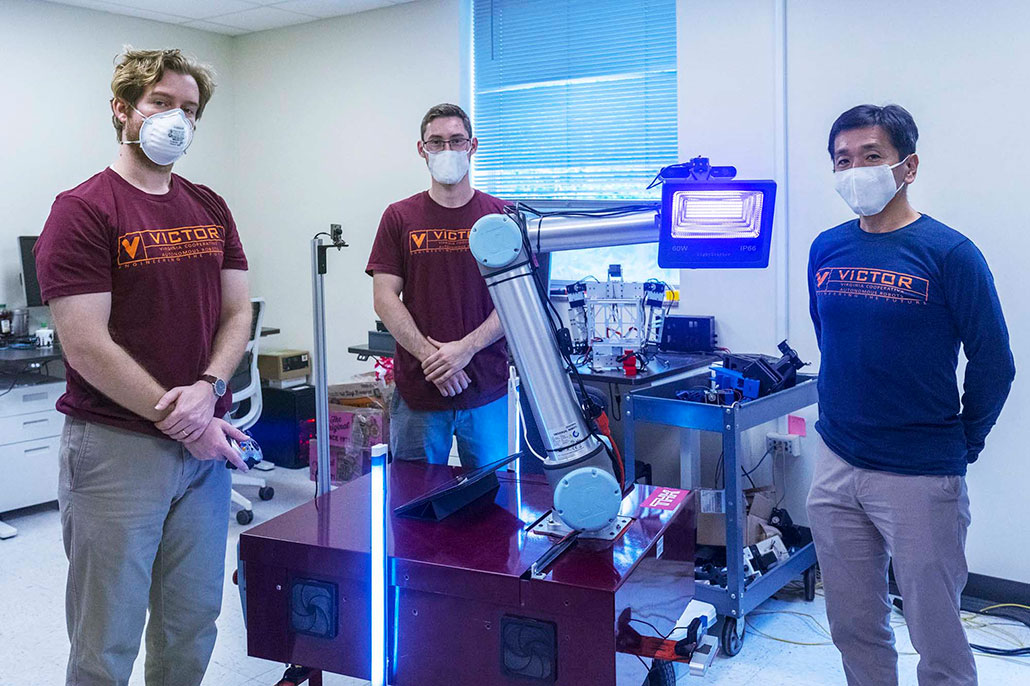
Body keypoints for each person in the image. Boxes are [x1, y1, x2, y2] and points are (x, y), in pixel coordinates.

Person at [34, 48, 253, 686]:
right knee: (107, 642)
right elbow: (86, 344)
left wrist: (209, 389)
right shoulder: (83, 210)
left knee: (192, 625)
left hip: (202, 451)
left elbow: (238, 313)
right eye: (161, 102)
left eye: (190, 108)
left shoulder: (210, 206)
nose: (176, 119)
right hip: (117, 449)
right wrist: (186, 418)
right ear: (122, 109)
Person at [807, 103, 1016, 686]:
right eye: (842, 160)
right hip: (836, 462)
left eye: (870, 156)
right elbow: (832, 339)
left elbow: (994, 362)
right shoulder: (826, 249)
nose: (855, 171)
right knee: (853, 624)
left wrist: (963, 441)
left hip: (920, 474)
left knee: (937, 633)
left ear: (908, 166)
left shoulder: (950, 254)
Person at [366, 103, 508, 467]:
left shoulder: (501, 217)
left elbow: (516, 303)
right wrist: (436, 360)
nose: (447, 150)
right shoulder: (399, 217)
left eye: (457, 140)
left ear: (472, 146)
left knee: (492, 502)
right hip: (420, 391)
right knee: (416, 504)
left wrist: (466, 349)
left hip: (486, 390)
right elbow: (384, 298)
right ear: (422, 150)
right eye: (437, 142)